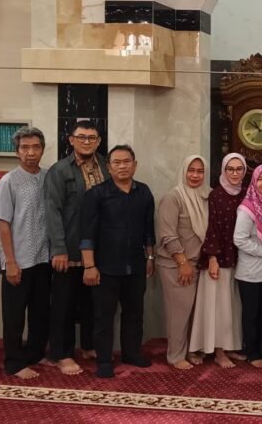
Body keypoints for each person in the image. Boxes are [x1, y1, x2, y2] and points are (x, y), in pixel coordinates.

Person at [81, 145, 155, 378]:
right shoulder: (96, 194)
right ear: (109, 167)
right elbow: (87, 234)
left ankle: (131, 353)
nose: (122, 166)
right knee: (104, 316)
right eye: (117, 162)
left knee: (134, 313)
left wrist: (150, 257)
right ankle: (104, 360)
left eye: (126, 161)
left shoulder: (144, 192)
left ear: (135, 165)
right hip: (105, 267)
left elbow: (149, 230)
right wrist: (89, 266)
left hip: (136, 265)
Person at [45, 120, 107, 375]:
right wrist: (58, 249)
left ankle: (88, 346)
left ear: (98, 141)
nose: (86, 142)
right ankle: (61, 354)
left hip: (98, 250)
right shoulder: (59, 170)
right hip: (69, 249)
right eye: (81, 137)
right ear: (71, 140)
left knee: (92, 303)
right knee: (64, 305)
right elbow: (53, 211)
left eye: (91, 138)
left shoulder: (107, 166)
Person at [0, 127, 53, 379]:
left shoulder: (49, 177)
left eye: (35, 147)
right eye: (25, 148)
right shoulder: (9, 181)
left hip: (44, 257)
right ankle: (14, 363)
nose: (31, 152)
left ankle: (35, 354)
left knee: (41, 311)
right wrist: (10, 262)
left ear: (42, 149)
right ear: (17, 151)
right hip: (19, 259)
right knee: (14, 315)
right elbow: (2, 222)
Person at [190, 153, 246, 368]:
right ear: (223, 170)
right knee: (218, 307)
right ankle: (218, 351)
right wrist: (212, 257)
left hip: (239, 257)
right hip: (218, 257)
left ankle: (230, 346)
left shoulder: (245, 194)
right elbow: (211, 227)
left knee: (231, 305)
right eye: (230, 169)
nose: (234, 173)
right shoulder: (215, 195)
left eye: (239, 169)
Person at [155, 155, 209, 370]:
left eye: (200, 171)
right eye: (191, 170)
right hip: (175, 264)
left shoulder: (206, 196)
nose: (195, 175)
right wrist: (182, 262)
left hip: (199, 263)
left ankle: (190, 350)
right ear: (183, 171)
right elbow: (167, 234)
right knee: (179, 312)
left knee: (194, 312)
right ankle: (175, 355)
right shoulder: (173, 198)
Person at [234, 163, 262, 368]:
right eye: (261, 179)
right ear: (253, 182)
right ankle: (252, 352)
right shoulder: (247, 208)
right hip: (251, 271)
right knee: (252, 314)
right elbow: (239, 239)